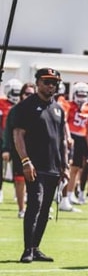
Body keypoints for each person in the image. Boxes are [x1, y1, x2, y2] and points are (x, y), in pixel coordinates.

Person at [12, 68, 69, 263]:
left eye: (54, 82)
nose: (50, 85)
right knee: (35, 203)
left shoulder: (58, 109)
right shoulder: (25, 106)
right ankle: (27, 249)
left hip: (54, 167)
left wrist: (65, 165)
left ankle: (36, 247)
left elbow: (62, 140)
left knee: (46, 209)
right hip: (35, 165)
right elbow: (18, 134)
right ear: (37, 83)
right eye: (46, 81)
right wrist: (25, 161)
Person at [59, 82, 88, 212]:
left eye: (84, 95)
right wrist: (67, 137)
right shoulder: (69, 106)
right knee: (68, 168)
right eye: (79, 94)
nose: (81, 97)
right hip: (70, 138)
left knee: (76, 169)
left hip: (81, 139)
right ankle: (64, 195)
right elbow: (64, 122)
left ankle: (69, 194)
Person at [3, 83, 35, 217]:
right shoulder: (15, 110)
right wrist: (6, 149)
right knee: (20, 180)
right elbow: (8, 131)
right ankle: (21, 209)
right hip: (19, 150)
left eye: (32, 94)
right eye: (26, 93)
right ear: (22, 95)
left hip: (36, 150)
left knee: (36, 181)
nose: (29, 96)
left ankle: (35, 208)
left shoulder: (40, 110)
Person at [1, 78, 23, 203]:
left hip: (18, 140)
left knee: (18, 170)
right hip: (4, 138)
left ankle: (18, 193)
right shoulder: (1, 103)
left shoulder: (22, 106)